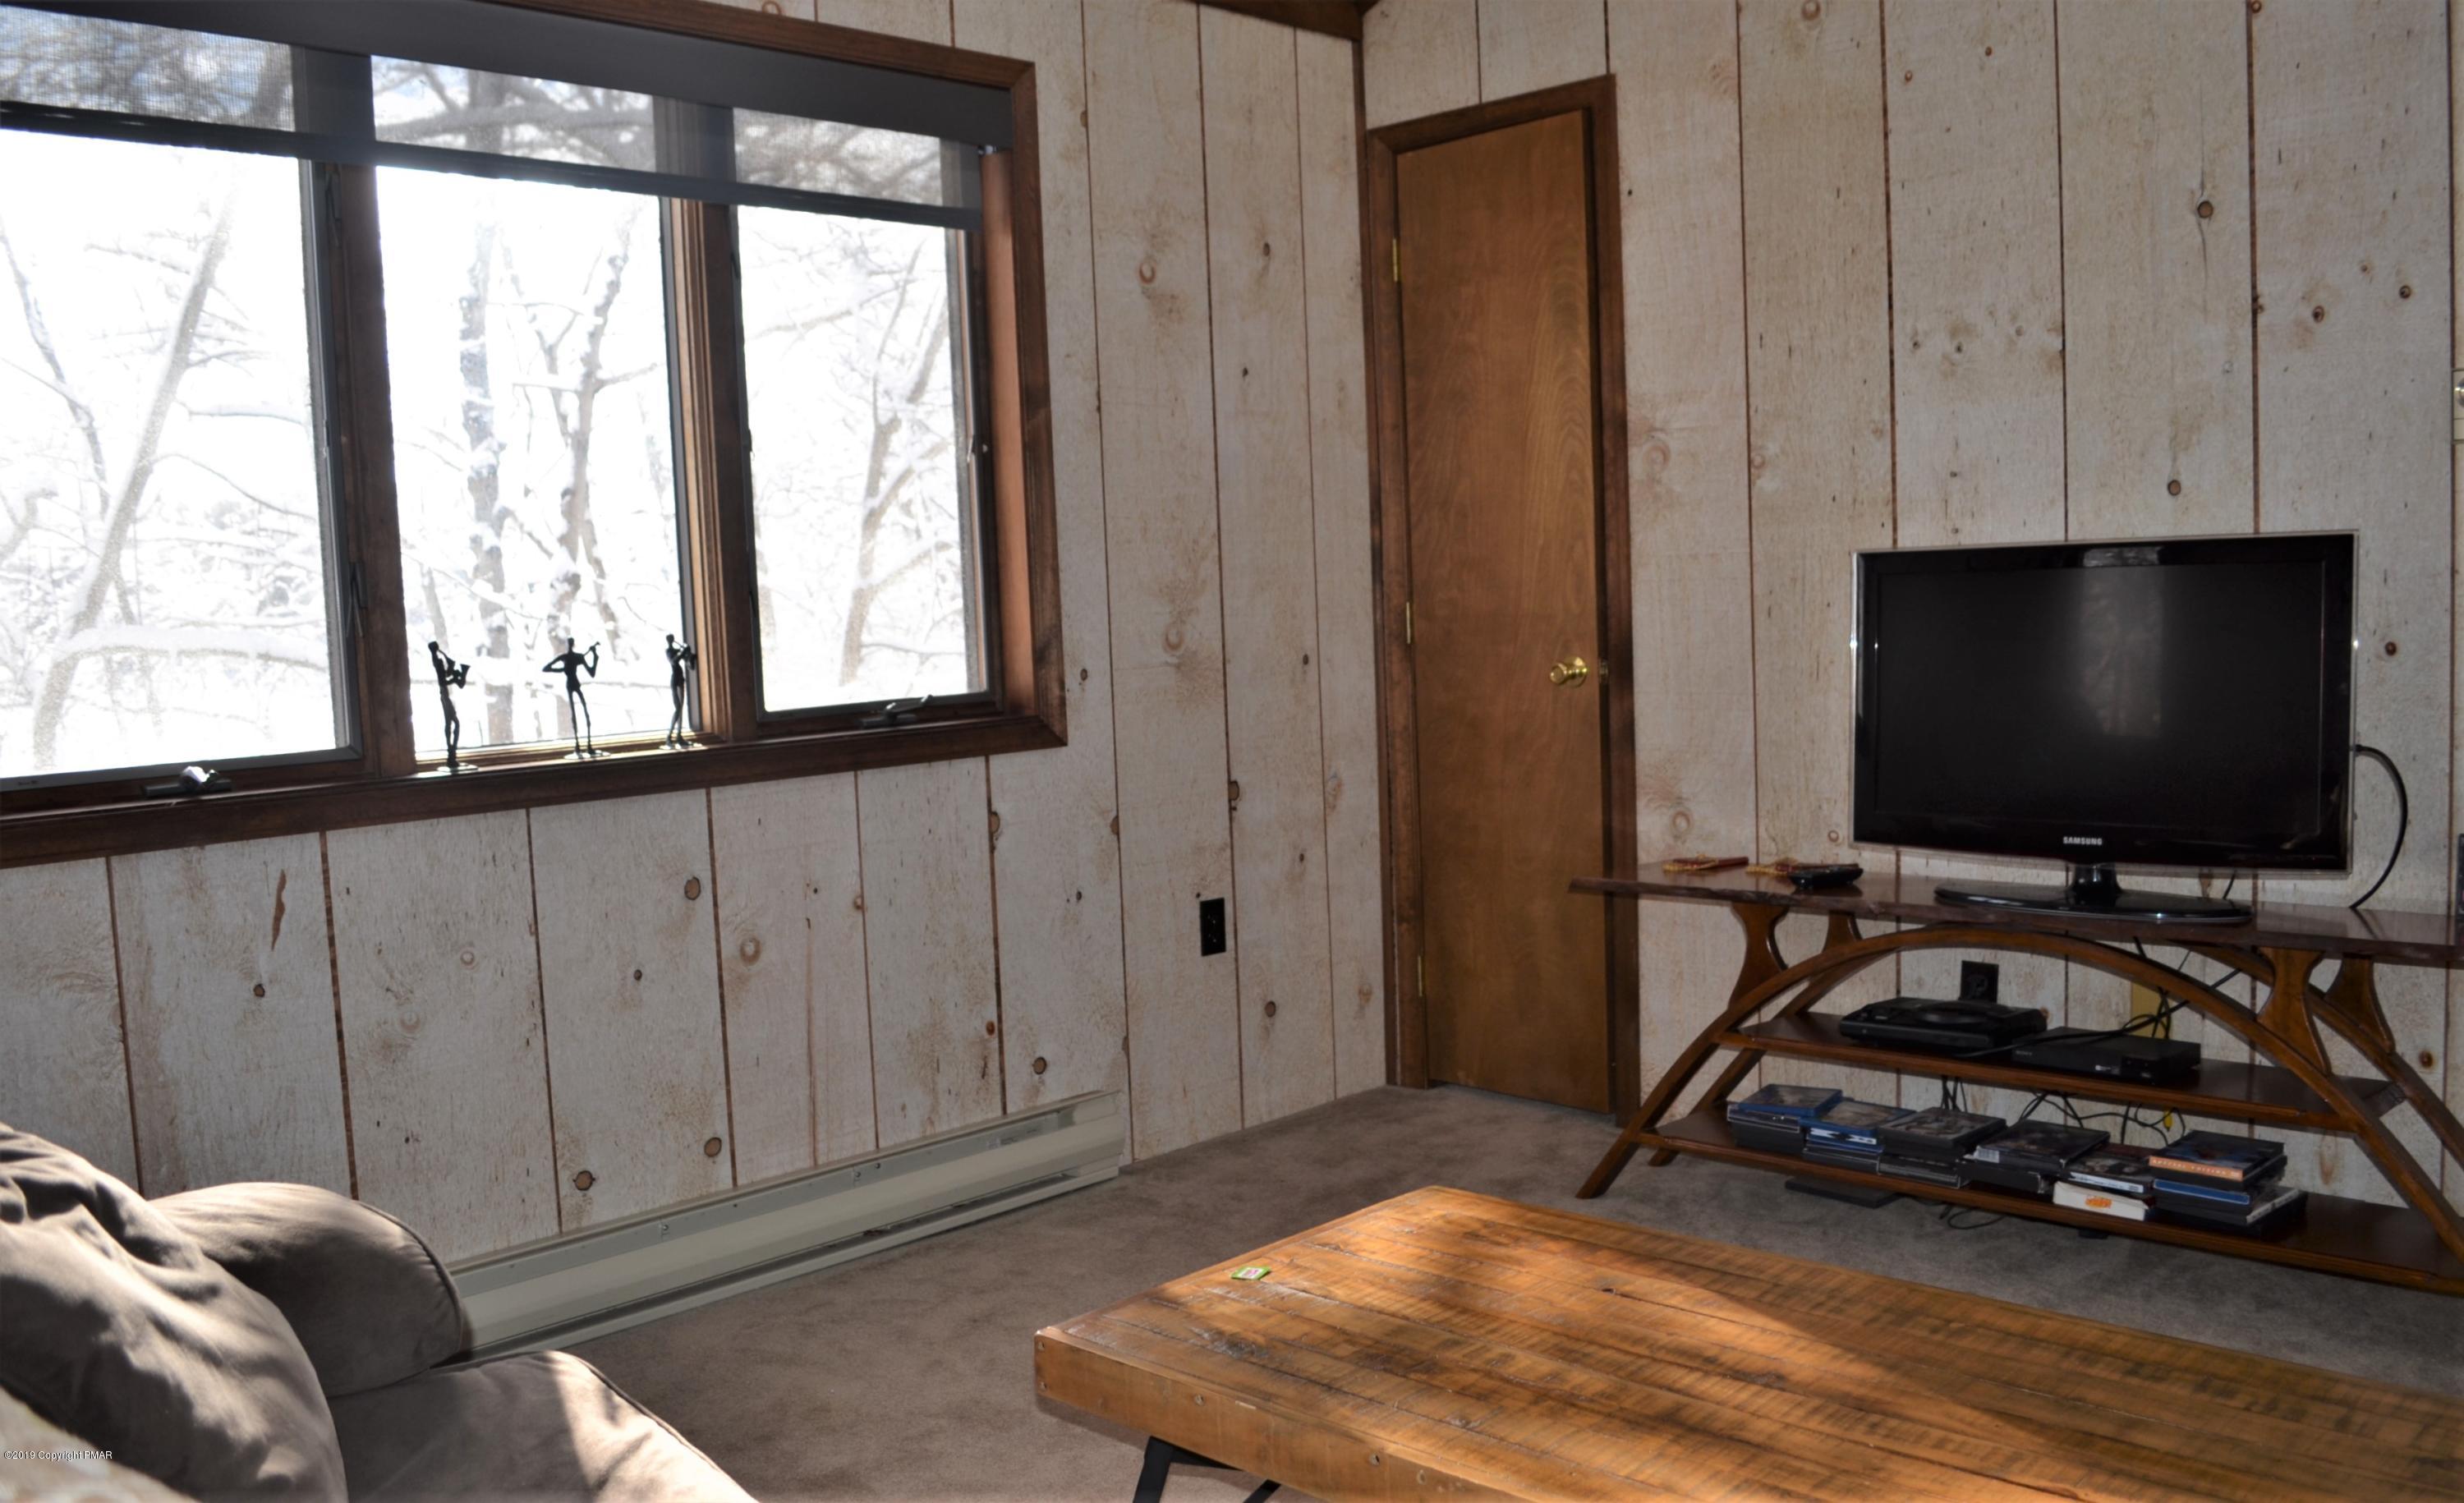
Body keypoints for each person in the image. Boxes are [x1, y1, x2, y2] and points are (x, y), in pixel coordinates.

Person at [542, 638, 600, 758]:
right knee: (576, 713)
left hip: (573, 684)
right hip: (571, 685)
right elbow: (546, 668)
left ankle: (587, 745)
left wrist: (595, 656)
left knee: (585, 712)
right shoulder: (569, 657)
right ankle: (579, 745)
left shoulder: (574, 657)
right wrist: (563, 669)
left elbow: (592, 673)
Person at [426, 641, 471, 774]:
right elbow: (443, 681)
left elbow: (444, 678)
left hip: (445, 695)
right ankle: (451, 751)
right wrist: (456, 678)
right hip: (444, 695)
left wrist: (454, 675)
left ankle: (452, 752)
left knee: (453, 723)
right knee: (453, 723)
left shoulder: (437, 659)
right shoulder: (438, 662)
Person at [664, 633, 698, 749]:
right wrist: (683, 651)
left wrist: (690, 656)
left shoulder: (678, 650)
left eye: (672, 638)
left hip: (680, 679)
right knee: (678, 708)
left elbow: (690, 666)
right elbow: (674, 661)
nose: (671, 640)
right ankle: (669, 736)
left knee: (681, 708)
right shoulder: (668, 651)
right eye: (669, 639)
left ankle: (678, 735)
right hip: (675, 680)